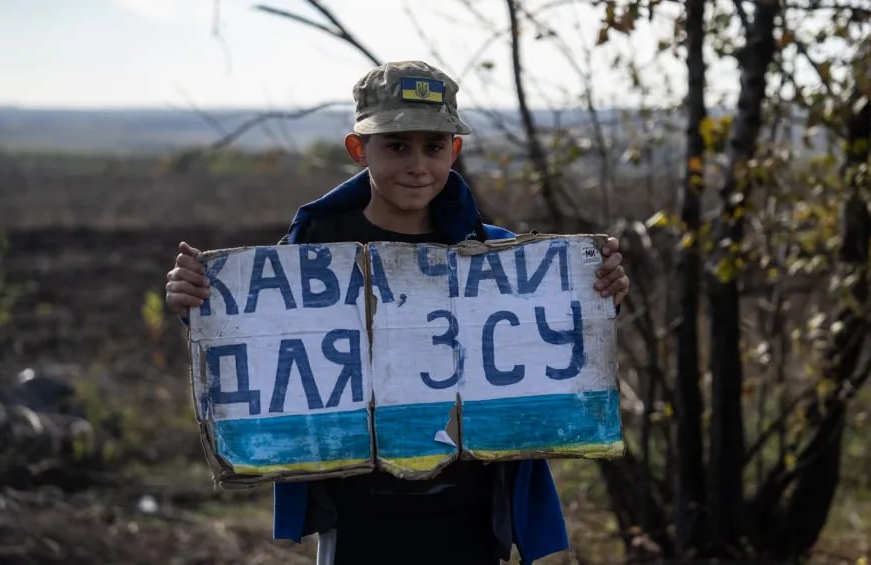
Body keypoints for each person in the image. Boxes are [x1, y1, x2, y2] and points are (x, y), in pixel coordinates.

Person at [164, 60, 630, 565]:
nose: (418, 165)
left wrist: (598, 296)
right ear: (358, 149)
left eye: (433, 147)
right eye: (397, 145)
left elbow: (552, 337)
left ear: (455, 150)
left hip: (473, 514)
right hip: (358, 517)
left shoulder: (493, 255)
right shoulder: (309, 256)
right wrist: (200, 305)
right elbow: (259, 342)